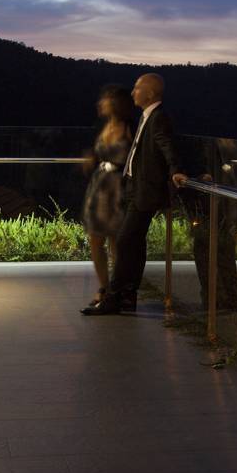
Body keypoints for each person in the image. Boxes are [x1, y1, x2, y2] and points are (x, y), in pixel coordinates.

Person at [82, 73, 187, 315]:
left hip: (145, 192)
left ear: (149, 93)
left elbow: (167, 146)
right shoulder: (146, 118)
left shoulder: (158, 118)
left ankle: (113, 298)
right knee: (133, 244)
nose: (133, 93)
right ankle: (127, 296)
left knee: (126, 241)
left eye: (137, 88)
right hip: (134, 189)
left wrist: (177, 170)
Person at [178, 137, 237, 312]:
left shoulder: (210, 140)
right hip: (208, 194)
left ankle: (224, 298)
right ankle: (221, 298)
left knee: (218, 244)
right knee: (210, 244)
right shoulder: (204, 141)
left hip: (217, 192)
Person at [81, 85, 134, 308]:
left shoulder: (130, 128)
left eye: (104, 100)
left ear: (115, 103)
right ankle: (104, 286)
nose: (100, 104)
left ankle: (116, 290)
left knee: (115, 241)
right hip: (99, 186)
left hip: (118, 188)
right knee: (95, 238)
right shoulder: (102, 126)